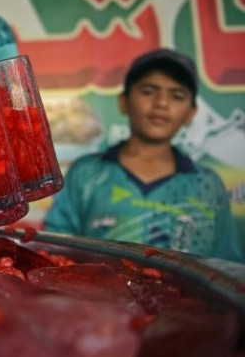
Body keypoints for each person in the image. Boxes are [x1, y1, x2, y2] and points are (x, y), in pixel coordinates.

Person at [44, 49, 243, 262]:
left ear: (191, 113)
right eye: (148, 91)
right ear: (123, 101)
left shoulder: (207, 184)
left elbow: (226, 266)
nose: (161, 103)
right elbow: (55, 253)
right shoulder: (85, 173)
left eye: (177, 96)